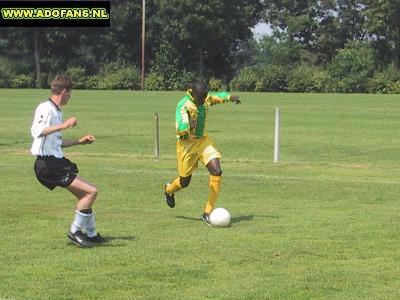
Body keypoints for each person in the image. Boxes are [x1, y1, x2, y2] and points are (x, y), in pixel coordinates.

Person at [30, 75, 105, 247]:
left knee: (84, 195)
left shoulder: (56, 111)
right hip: (47, 165)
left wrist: (79, 141)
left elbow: (56, 142)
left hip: (55, 162)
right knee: (91, 192)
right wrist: (65, 125)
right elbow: (37, 131)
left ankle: (91, 234)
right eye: (70, 93)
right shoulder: (46, 108)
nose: (70, 97)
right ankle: (75, 231)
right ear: (64, 92)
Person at [164, 81, 241, 225]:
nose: (202, 102)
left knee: (216, 171)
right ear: (193, 94)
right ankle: (168, 190)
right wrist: (187, 127)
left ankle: (208, 212)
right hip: (186, 146)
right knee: (184, 182)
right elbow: (180, 129)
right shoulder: (183, 105)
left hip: (203, 142)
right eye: (200, 99)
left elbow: (214, 98)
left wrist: (229, 97)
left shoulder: (204, 98)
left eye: (203, 98)